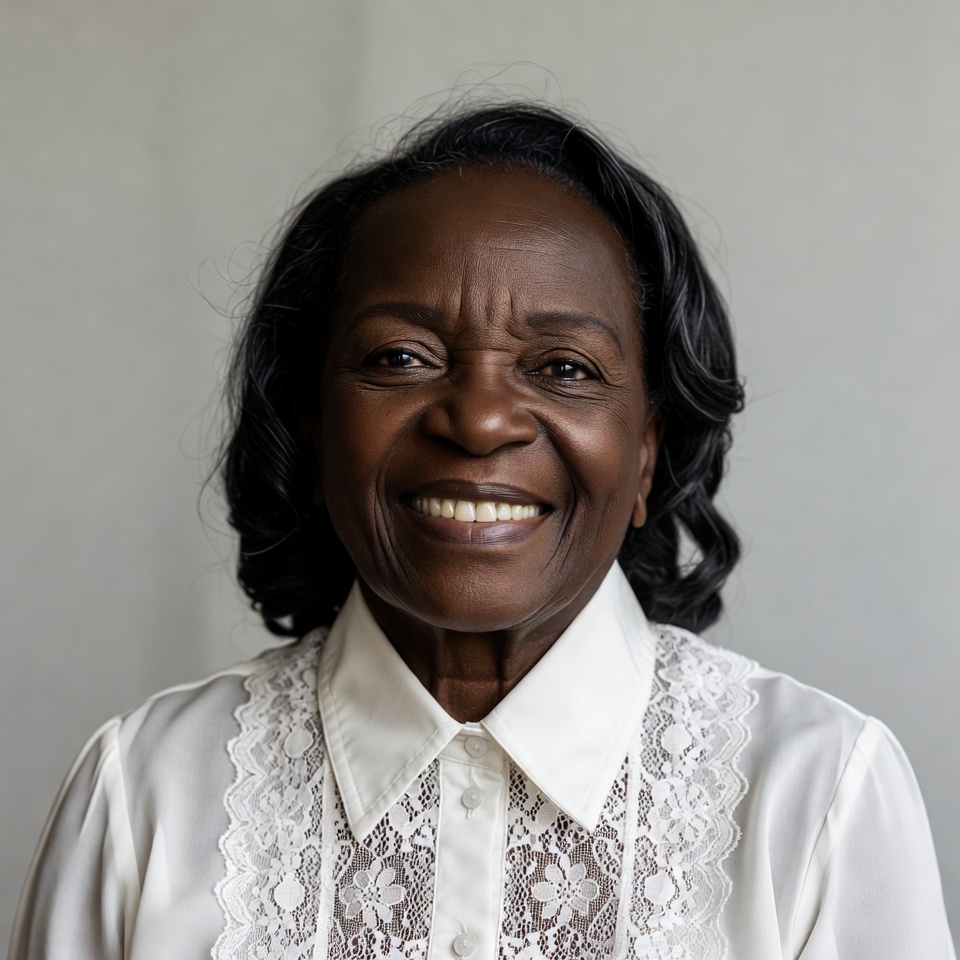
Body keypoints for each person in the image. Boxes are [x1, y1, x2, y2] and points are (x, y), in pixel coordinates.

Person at [9, 103, 955, 960]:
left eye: (565, 368)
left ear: (647, 455)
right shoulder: (143, 794)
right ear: (309, 421)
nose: (479, 419)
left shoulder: (820, 790)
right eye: (401, 357)